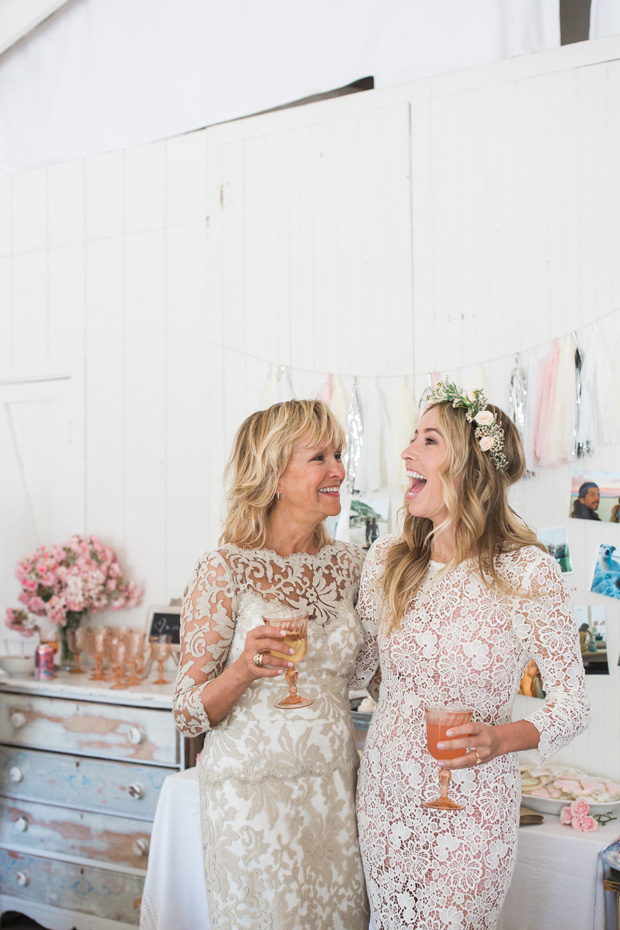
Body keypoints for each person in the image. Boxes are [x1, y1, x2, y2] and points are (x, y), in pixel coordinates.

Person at [350, 381, 590, 930]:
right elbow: (359, 673)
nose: (407, 452)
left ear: (470, 466)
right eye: (412, 437)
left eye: (428, 440)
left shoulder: (528, 571)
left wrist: (500, 739)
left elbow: (573, 704)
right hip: (386, 797)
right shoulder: (386, 559)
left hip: (475, 808)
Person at [172, 399, 369, 930]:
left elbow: (381, 675)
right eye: (319, 458)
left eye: (339, 455)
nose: (338, 470)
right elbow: (187, 714)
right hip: (251, 800)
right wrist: (241, 669)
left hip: (335, 794)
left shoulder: (355, 566)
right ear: (274, 474)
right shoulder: (224, 569)